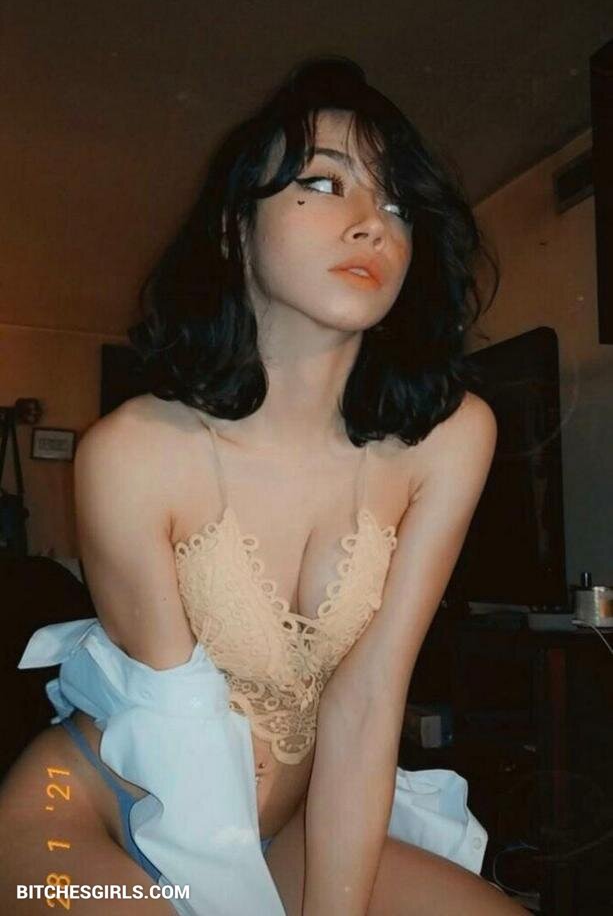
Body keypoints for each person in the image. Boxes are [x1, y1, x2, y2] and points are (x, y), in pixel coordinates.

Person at [0, 57, 527, 914]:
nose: (372, 224)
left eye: (397, 204)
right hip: (89, 818)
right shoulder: (133, 452)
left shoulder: (449, 438)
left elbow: (367, 703)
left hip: (284, 832)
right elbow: (179, 744)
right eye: (323, 183)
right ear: (233, 230)